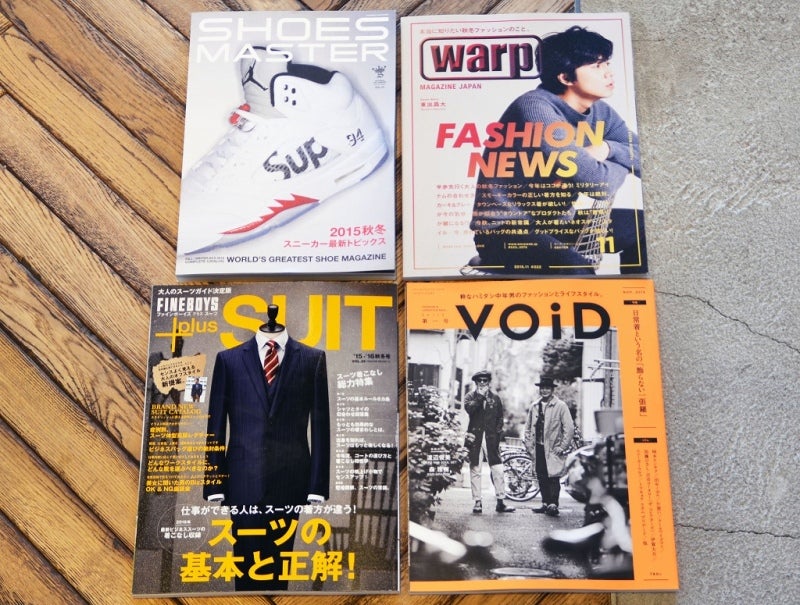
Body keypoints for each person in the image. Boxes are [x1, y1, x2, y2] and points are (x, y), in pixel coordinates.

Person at [469, 25, 645, 274]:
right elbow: (598, 185)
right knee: (578, 272)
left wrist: (607, 148)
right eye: (596, 66)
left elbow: (649, 161)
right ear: (565, 78)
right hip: (505, 232)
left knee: (643, 228)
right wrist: (622, 162)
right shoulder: (535, 109)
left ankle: (635, 296)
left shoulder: (599, 111)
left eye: (606, 63)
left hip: (558, 224)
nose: (608, 72)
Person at [203, 307, 330, 591]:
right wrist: (214, 483)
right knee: (245, 562)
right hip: (241, 480)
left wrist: (317, 485)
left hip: (291, 480)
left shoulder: (312, 359)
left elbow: (321, 427)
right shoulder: (229, 360)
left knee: (280, 563)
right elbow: (216, 424)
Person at [463, 370, 515, 514]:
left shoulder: (495, 398)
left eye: (485, 380)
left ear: (489, 382)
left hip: (491, 439)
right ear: (476, 382)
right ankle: (477, 502)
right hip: (474, 438)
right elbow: (470, 410)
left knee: (498, 469)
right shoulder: (470, 396)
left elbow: (500, 418)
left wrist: (497, 435)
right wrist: (480, 397)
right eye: (479, 380)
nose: (482, 383)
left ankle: (501, 501)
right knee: (475, 469)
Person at [524, 376, 575, 517]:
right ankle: (545, 503)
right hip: (538, 447)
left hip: (553, 448)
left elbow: (569, 428)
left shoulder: (561, 406)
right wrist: (529, 446)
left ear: (552, 390)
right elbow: (528, 427)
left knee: (553, 475)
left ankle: (553, 504)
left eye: (547, 388)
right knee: (541, 476)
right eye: (542, 388)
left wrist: (562, 446)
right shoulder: (534, 406)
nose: (544, 390)